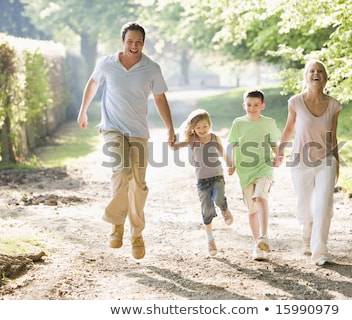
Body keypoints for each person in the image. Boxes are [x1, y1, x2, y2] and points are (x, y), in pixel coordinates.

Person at [77, 22, 176, 259]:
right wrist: (83, 111)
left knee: (138, 184)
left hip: (139, 132)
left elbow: (160, 99)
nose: (134, 46)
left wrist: (170, 128)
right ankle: (116, 224)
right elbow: (92, 84)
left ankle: (136, 235)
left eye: (138, 42)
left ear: (144, 43)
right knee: (121, 172)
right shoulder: (107, 64)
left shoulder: (151, 68)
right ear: (122, 42)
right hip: (112, 128)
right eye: (130, 41)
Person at [277, 59, 342, 266]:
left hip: (326, 162)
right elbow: (289, 129)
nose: (316, 74)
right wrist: (280, 149)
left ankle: (320, 252)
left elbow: (333, 135)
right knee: (305, 210)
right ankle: (307, 234)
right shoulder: (295, 102)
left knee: (324, 205)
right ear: (306, 77)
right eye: (312, 71)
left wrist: (337, 161)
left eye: (320, 71)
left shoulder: (333, 105)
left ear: (325, 78)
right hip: (300, 162)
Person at [171, 109, 233, 256]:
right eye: (198, 127)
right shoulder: (193, 139)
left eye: (205, 126)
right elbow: (177, 146)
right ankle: (210, 241)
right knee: (207, 210)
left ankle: (224, 209)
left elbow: (223, 153)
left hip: (217, 176)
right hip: (202, 181)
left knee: (218, 199)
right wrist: (172, 143)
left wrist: (230, 164)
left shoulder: (214, 138)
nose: (202, 130)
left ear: (209, 124)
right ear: (193, 128)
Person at [228, 89, 281, 261]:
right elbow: (233, 146)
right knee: (252, 211)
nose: (252, 108)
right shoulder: (238, 123)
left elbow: (274, 144)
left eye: (256, 105)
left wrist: (279, 156)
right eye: (249, 105)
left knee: (261, 197)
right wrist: (232, 164)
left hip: (264, 166)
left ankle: (264, 236)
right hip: (245, 171)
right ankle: (257, 244)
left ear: (262, 106)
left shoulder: (269, 123)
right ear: (244, 105)